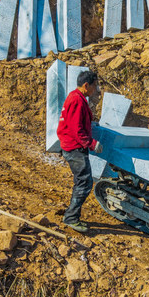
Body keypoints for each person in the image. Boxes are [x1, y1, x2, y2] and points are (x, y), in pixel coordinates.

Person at [56, 70, 103, 233]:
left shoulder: (76, 96)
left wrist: (91, 124)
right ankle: (71, 218)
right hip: (74, 147)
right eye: (94, 86)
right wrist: (92, 143)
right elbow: (76, 129)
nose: (95, 89)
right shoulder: (77, 100)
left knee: (82, 181)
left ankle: (72, 216)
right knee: (84, 182)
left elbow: (77, 122)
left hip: (72, 145)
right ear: (86, 85)